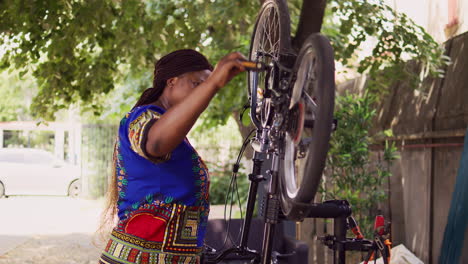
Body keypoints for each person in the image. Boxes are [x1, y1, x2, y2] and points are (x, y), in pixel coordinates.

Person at [98, 49, 246, 264]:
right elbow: (155, 144)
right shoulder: (141, 118)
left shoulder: (177, 138)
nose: (203, 92)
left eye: (206, 86)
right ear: (172, 81)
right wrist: (213, 83)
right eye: (198, 84)